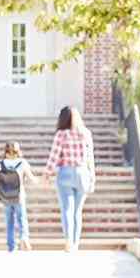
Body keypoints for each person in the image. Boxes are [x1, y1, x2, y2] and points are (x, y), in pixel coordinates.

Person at [45, 106, 96, 252]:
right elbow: (90, 158)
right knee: (77, 211)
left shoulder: (61, 135)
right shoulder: (86, 134)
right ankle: (76, 243)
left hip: (65, 172)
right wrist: (93, 178)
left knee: (67, 209)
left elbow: (54, 157)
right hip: (82, 172)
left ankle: (68, 241)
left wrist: (47, 173)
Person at [0, 141, 38, 252]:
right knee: (22, 219)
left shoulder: (1, 164)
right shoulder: (22, 163)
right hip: (19, 196)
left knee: (9, 222)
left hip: (5, 197)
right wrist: (41, 181)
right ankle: (24, 238)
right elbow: (31, 178)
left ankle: (11, 245)